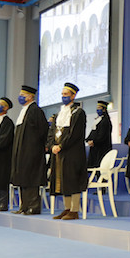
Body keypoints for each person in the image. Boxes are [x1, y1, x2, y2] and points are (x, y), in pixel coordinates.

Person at [49, 83, 88, 220]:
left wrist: (61, 145)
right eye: (62, 94)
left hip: (72, 152)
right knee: (62, 179)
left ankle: (75, 210)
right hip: (59, 152)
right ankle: (66, 208)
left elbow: (74, 134)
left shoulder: (78, 113)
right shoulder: (59, 113)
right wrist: (52, 145)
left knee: (73, 180)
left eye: (66, 94)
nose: (63, 96)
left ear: (73, 95)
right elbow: (52, 131)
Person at [10, 85, 48, 215]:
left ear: (30, 96)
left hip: (32, 151)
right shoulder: (24, 111)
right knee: (22, 177)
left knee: (31, 178)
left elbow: (43, 131)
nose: (20, 97)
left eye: (23, 95)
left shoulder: (35, 110)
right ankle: (24, 206)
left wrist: (35, 147)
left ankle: (34, 206)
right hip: (22, 152)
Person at [86, 100, 113, 170]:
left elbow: (102, 135)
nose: (97, 110)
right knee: (94, 168)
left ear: (104, 109)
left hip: (102, 148)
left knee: (101, 168)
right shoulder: (97, 120)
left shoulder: (105, 121)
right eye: (97, 108)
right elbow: (93, 132)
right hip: (95, 148)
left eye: (99, 108)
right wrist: (88, 140)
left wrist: (94, 141)